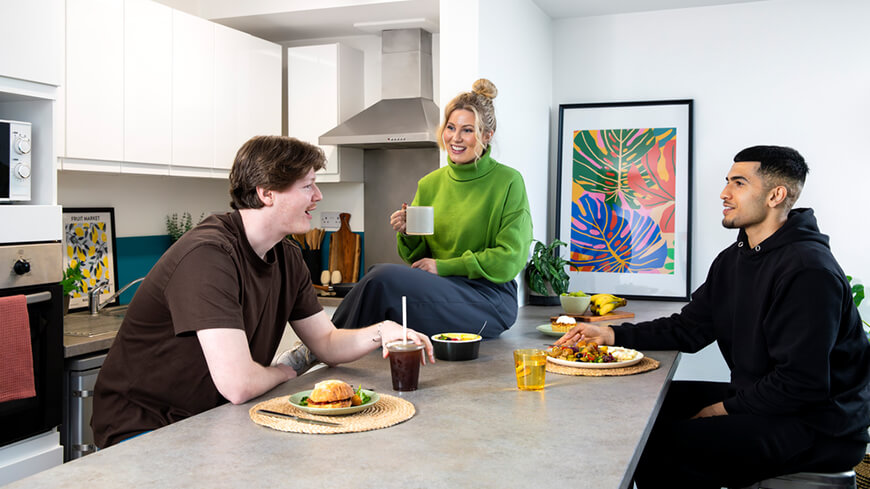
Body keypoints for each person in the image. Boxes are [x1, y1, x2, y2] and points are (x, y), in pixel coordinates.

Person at [556, 145, 870, 488]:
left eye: (739, 183)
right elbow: (689, 328)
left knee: (659, 447)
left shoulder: (809, 270)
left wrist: (721, 409)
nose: (724, 193)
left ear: (775, 195)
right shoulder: (734, 259)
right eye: (727, 182)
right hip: (769, 399)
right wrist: (614, 335)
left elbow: (801, 384)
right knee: (641, 407)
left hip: (819, 425)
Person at [92, 136, 434, 448]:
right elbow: (239, 384)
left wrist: (382, 331)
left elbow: (327, 344)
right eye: (308, 186)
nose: (317, 197)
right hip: (142, 429)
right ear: (265, 192)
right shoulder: (208, 256)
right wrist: (288, 371)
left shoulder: (287, 256)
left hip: (206, 419)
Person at [330, 78, 533, 339]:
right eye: (450, 127)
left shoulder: (508, 182)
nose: (455, 138)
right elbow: (417, 258)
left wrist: (443, 267)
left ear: (486, 135)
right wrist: (407, 232)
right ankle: (336, 353)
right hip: (440, 291)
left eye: (467, 130)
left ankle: (326, 344)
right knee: (380, 284)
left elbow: (510, 259)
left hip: (489, 301)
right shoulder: (430, 183)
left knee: (381, 277)